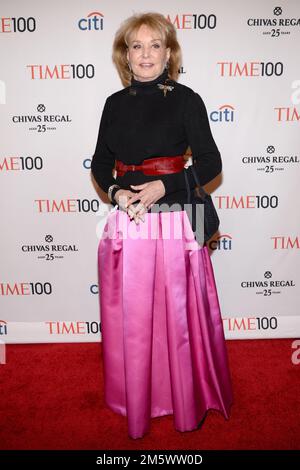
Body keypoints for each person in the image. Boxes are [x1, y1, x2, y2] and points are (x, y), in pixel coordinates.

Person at [91, 12, 233, 440]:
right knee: (135, 322)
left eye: (155, 45)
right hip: (128, 218)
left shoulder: (187, 99)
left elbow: (210, 163)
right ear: (125, 55)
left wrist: (162, 187)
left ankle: (186, 398)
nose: (146, 53)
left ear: (168, 53)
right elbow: (100, 163)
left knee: (178, 319)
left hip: (176, 218)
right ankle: (139, 396)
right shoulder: (114, 104)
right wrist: (117, 193)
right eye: (137, 46)